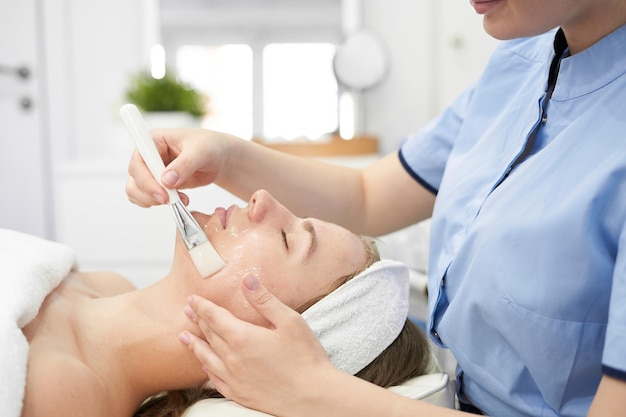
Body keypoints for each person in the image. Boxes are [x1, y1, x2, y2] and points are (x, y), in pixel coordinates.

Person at [125, 0, 626, 416]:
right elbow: (365, 197)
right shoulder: (520, 63)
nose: (259, 202)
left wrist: (315, 392)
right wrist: (226, 155)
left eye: (291, 237)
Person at [19, 190, 432, 417]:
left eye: (288, 238)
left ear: (261, 343)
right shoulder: (106, 285)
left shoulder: (57, 394)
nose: (262, 198)